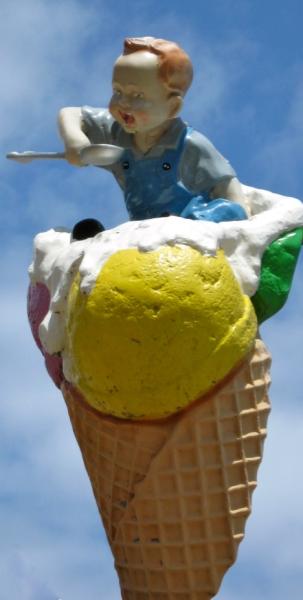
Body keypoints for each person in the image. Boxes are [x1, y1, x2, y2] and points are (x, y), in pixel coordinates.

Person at [58, 37, 248, 237]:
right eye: (117, 91)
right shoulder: (118, 131)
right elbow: (70, 113)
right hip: (143, 235)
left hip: (183, 234)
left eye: (138, 96)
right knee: (86, 232)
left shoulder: (189, 145)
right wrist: (75, 140)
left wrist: (198, 224)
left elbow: (234, 201)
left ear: (173, 107)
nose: (123, 103)